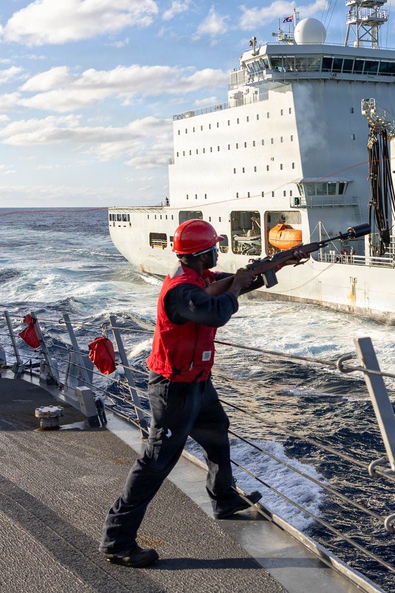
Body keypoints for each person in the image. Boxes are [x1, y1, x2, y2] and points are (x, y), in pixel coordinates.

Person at [99, 219, 303, 568]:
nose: (217, 252)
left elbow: (228, 289)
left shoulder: (201, 279)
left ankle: (223, 498)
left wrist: (274, 265)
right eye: (214, 248)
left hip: (196, 381)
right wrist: (238, 284)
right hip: (173, 389)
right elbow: (216, 312)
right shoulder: (181, 291)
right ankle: (117, 539)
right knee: (155, 462)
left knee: (217, 433)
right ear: (200, 254)